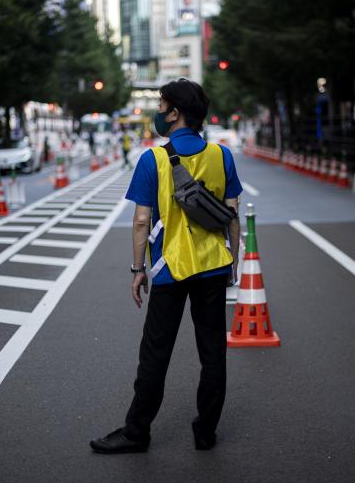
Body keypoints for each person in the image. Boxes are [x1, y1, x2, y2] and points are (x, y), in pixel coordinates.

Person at [90, 78, 243, 454]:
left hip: (170, 270)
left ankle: (137, 432)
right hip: (212, 267)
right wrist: (232, 264)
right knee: (213, 353)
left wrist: (137, 268)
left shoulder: (153, 159)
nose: (158, 113)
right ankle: (205, 432)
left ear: (175, 113)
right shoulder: (221, 155)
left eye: (162, 107)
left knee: (155, 354)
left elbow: (142, 220)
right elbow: (232, 215)